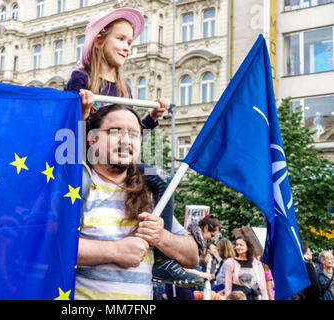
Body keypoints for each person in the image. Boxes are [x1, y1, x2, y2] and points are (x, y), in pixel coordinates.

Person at [67, 8, 197, 287]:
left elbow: (129, 135)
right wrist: (81, 114)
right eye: (121, 39)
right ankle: (73, 234)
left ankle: (161, 256)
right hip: (86, 158)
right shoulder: (81, 79)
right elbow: (68, 131)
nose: (127, 47)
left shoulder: (123, 88)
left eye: (130, 42)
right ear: (99, 40)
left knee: (162, 178)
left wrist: (151, 118)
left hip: (115, 162)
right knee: (81, 186)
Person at [76, 104, 199, 300]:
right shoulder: (76, 188)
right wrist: (114, 251)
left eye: (133, 134)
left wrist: (161, 237)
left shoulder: (150, 194)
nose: (125, 141)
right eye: (114, 132)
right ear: (92, 139)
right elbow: (46, 245)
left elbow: (192, 257)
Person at [224, 236, 268, 300]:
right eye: (237, 245)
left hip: (254, 297)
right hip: (237, 298)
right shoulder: (231, 263)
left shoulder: (257, 264)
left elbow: (262, 285)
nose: (238, 247)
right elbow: (228, 285)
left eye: (241, 245)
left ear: (247, 247)